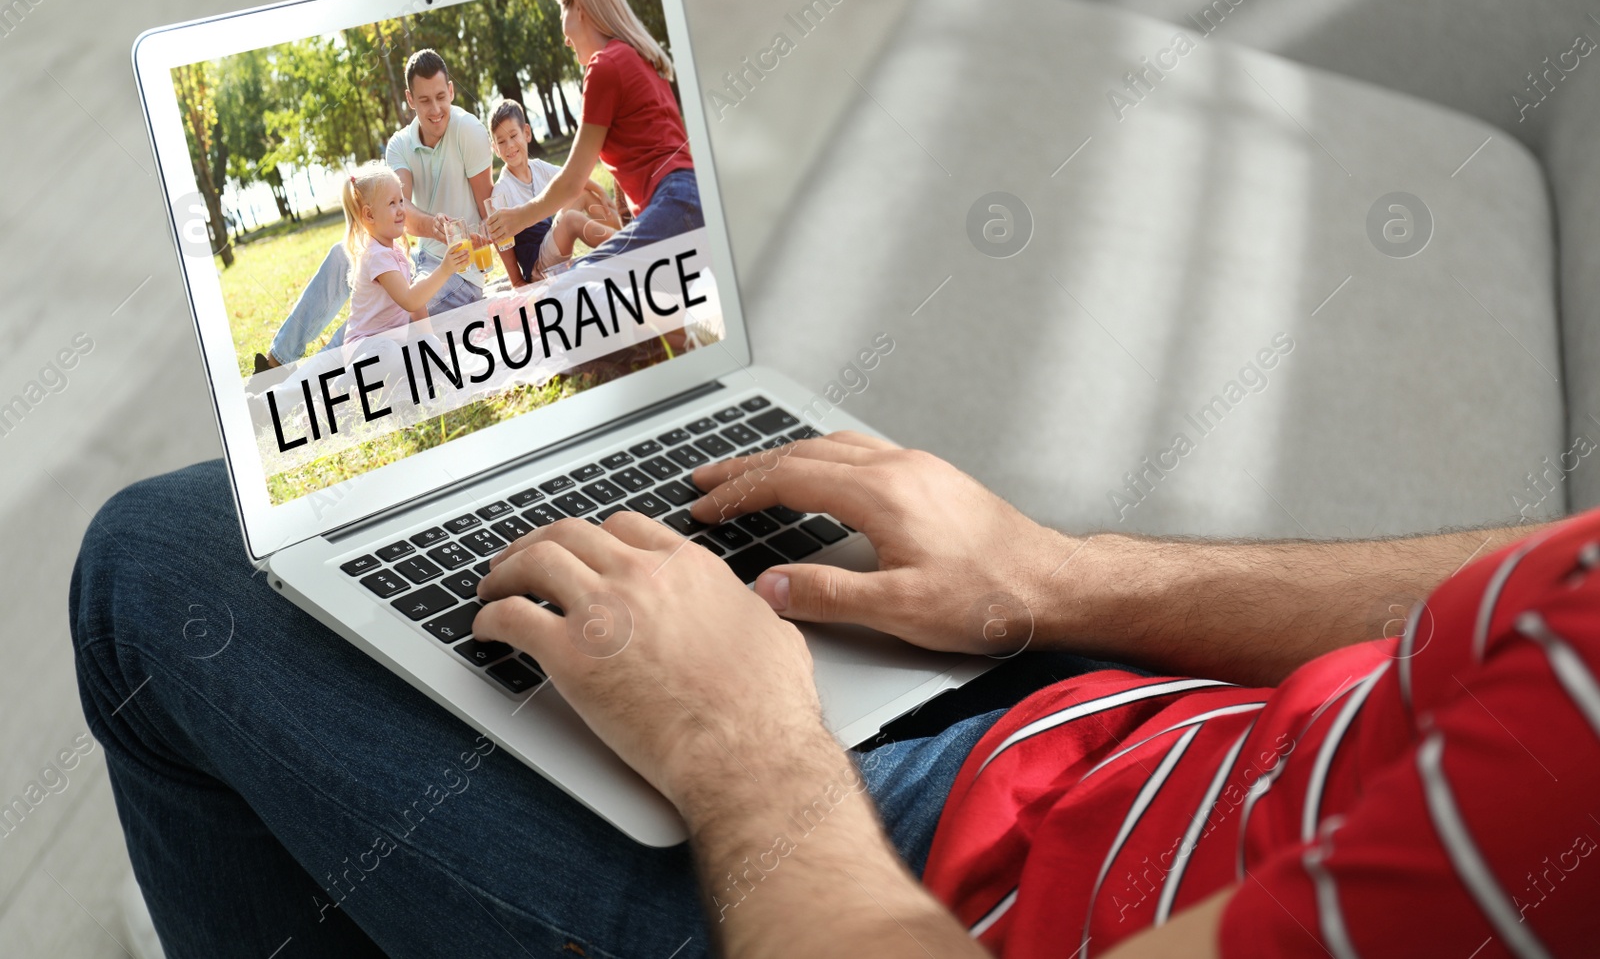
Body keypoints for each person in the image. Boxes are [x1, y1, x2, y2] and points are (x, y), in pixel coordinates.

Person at [71, 435, 1599, 957]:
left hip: (927, 902)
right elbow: (1552, 578)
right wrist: (1059, 574)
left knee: (167, 566)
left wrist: (749, 752)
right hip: (1133, 737)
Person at [252, 49, 495, 374]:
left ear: (451, 90)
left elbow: (489, 208)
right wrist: (434, 227)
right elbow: (400, 209)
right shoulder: (400, 145)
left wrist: (511, 267)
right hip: (419, 261)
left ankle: (316, 377)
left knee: (385, 313)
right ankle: (276, 363)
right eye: (424, 101)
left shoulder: (469, 130)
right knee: (346, 254)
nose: (436, 109)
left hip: (458, 273)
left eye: (441, 97)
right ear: (410, 99)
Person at [484, 0, 703, 264]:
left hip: (676, 206)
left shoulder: (605, 65)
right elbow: (645, 150)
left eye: (563, 13)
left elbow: (574, 179)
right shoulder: (637, 56)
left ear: (580, 9)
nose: (565, 39)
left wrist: (520, 217)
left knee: (571, 289)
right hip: (686, 201)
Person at [487, 98, 622, 287]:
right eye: (501, 141)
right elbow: (499, 239)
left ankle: (626, 230)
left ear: (527, 133)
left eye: (513, 136)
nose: (509, 145)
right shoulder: (502, 189)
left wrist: (601, 191)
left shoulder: (538, 167)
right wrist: (516, 280)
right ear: (495, 148)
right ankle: (622, 245)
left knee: (582, 193)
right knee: (571, 220)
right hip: (538, 266)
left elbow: (572, 177)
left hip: (550, 242)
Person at [339, 161, 469, 342]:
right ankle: (355, 372)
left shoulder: (394, 250)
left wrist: (429, 337)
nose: (401, 209)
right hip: (365, 347)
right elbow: (409, 300)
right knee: (390, 351)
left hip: (394, 344)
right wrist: (445, 269)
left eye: (401, 201)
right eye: (392, 203)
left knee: (432, 345)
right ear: (369, 215)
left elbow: (416, 306)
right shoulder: (377, 255)